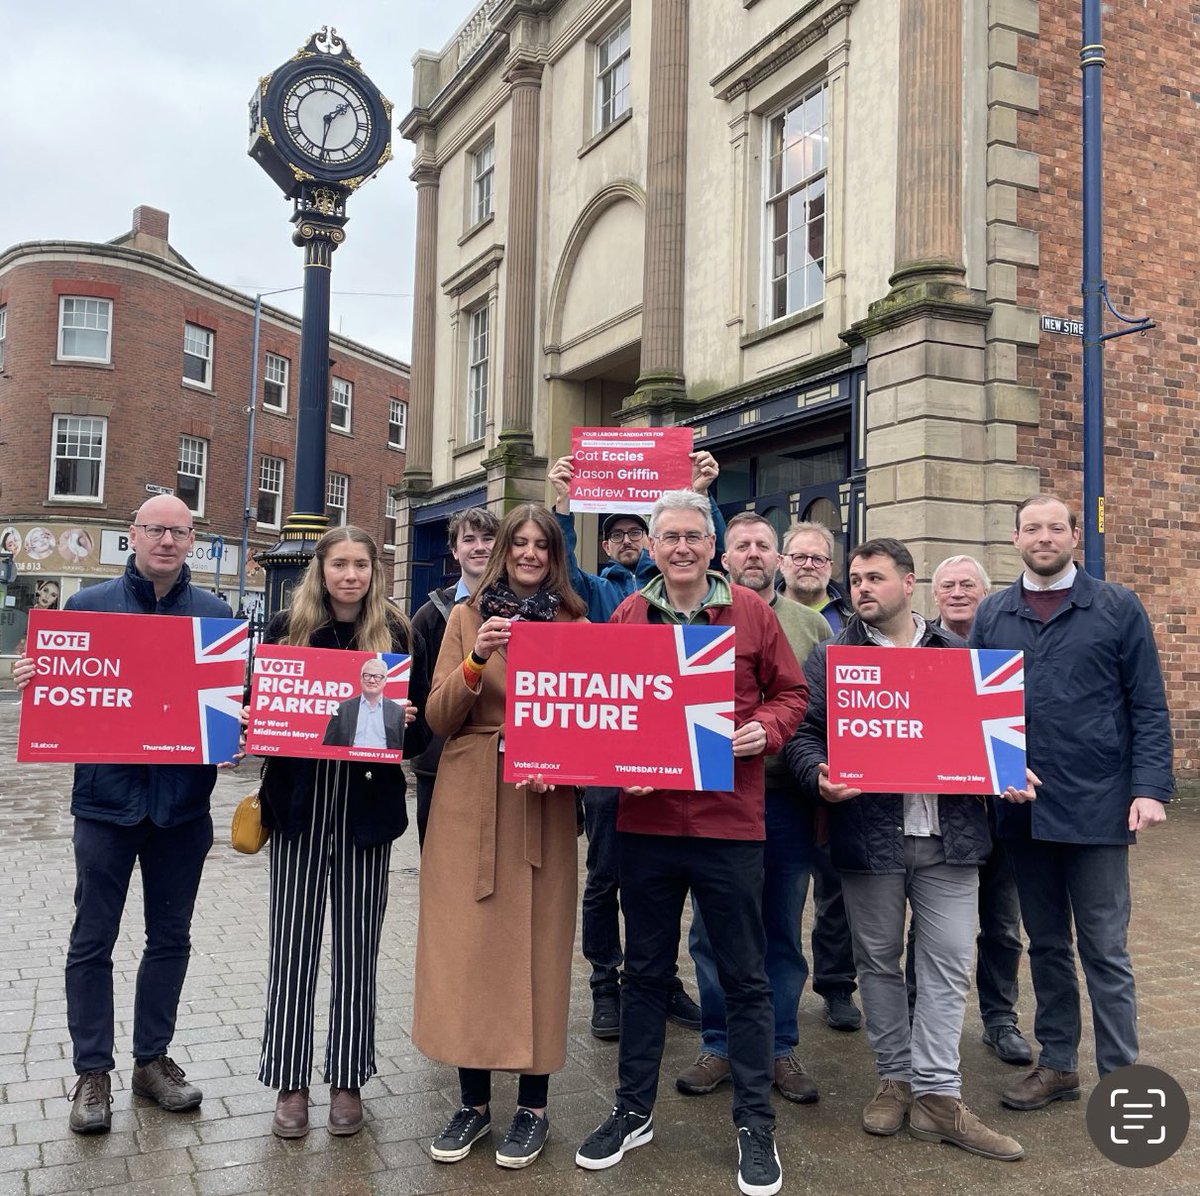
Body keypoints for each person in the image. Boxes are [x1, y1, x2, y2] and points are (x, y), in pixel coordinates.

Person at [576, 490, 807, 1196]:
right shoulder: (628, 614)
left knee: (743, 976)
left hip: (728, 824)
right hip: (647, 827)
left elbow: (791, 695)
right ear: (651, 544)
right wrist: (619, 767)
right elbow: (605, 708)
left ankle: (754, 1122)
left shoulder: (751, 612)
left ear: (712, 546)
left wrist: (763, 730)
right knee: (644, 972)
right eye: (669, 536)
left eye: (693, 536)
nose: (681, 547)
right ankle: (632, 1110)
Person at [785, 537, 1026, 1162]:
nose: (862, 588)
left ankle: (940, 1096)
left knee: (947, 963)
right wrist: (819, 776)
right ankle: (895, 1078)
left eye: (875, 578)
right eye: (856, 579)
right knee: (878, 964)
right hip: (870, 837)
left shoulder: (961, 653)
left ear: (909, 584)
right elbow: (803, 736)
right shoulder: (834, 658)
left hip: (952, 839)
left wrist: (1011, 772)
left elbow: (997, 735)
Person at [12, 495, 231, 1135]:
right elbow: (62, 695)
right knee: (92, 939)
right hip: (106, 806)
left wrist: (239, 726)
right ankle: (92, 1073)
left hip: (183, 809)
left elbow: (228, 711)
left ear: (193, 540)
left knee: (170, 938)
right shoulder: (87, 609)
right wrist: (36, 676)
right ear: (133, 536)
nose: (166, 540)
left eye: (179, 532)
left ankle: (151, 1061)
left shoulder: (215, 618)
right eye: (155, 529)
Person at [970, 495, 1174, 1110]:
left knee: (1105, 948)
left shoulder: (1117, 607)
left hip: (1100, 805)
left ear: (1074, 536)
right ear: (1014, 539)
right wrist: (995, 770)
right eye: (1032, 527)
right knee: (1048, 943)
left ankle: (1119, 1074)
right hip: (1022, 807)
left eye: (1055, 527)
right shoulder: (993, 612)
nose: (1043, 536)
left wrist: (1149, 788)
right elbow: (976, 710)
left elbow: (1147, 703)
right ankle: (1058, 1064)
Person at [415, 504, 587, 1170]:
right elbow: (438, 717)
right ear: (500, 552)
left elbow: (593, 719)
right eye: (517, 543)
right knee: (468, 949)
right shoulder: (465, 618)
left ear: (554, 553)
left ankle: (534, 1109)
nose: (528, 553)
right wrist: (478, 656)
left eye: (541, 544)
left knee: (540, 950)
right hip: (470, 802)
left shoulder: (578, 624)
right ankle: (473, 1105)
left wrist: (556, 752)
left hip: (541, 805)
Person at [257, 526, 428, 1140]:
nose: (350, 575)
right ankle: (289, 1080)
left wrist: (408, 723)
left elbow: (423, 732)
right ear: (320, 570)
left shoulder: (398, 634)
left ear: (374, 570)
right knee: (293, 949)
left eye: (360, 564)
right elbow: (261, 710)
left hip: (365, 817)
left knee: (358, 950)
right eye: (339, 564)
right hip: (300, 809)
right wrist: (257, 714)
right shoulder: (285, 629)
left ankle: (349, 1078)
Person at [548, 452, 723, 1039]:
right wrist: (567, 506)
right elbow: (563, 572)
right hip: (608, 758)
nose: (626, 541)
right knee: (604, 877)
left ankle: (661, 979)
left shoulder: (695, 598)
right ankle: (605, 982)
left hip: (675, 754)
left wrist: (700, 492)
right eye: (618, 533)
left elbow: (702, 549)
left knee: (662, 878)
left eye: (632, 531)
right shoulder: (603, 594)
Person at [679, 512, 831, 1105]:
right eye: (741, 544)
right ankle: (719, 1044)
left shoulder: (811, 625)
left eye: (763, 545)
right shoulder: (705, 618)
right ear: (725, 554)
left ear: (781, 558)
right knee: (713, 932)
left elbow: (825, 712)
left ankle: (778, 1046)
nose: (752, 553)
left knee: (783, 931)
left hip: (786, 799)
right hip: (715, 798)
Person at [927, 555, 1031, 1066]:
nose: (958, 592)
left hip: (1001, 811)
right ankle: (915, 1013)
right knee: (927, 928)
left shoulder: (1008, 649)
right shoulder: (921, 650)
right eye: (948, 585)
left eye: (969, 584)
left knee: (1002, 923)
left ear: (985, 593)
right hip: (943, 816)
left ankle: (1000, 1019)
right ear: (933, 595)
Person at [777, 521, 861, 1032]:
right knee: (781, 892)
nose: (808, 564)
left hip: (830, 769)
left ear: (831, 568)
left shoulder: (850, 622)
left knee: (835, 888)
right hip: (775, 774)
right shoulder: (759, 611)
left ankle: (837, 986)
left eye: (819, 558)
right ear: (783, 561)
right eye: (799, 556)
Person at [410, 507, 499, 847]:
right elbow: (417, 689)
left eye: (488, 538)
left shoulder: (524, 608)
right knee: (439, 861)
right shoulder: (430, 614)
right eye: (469, 539)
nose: (479, 547)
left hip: (498, 759)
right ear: (454, 551)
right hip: (440, 761)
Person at [321, 658, 406, 750]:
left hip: (383, 763)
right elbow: (328, 746)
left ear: (385, 680)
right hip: (348, 762)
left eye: (377, 676)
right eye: (367, 675)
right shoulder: (342, 709)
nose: (372, 680)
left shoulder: (398, 711)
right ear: (361, 678)